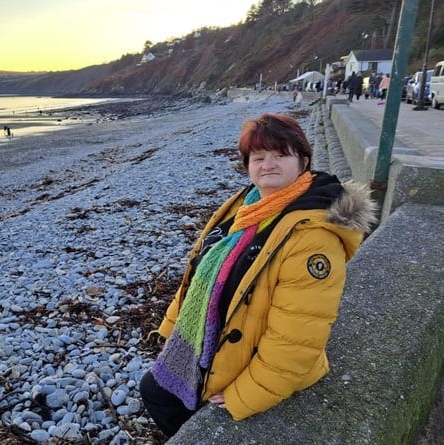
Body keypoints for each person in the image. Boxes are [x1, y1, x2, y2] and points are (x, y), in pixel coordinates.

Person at [139, 113, 377, 438]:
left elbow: (296, 339)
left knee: (161, 399)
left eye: (280, 155)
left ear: (303, 161)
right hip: (215, 339)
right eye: (259, 157)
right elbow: (199, 270)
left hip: (250, 359)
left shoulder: (313, 236)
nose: (268, 165)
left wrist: (246, 395)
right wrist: (171, 329)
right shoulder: (247, 203)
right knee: (156, 391)